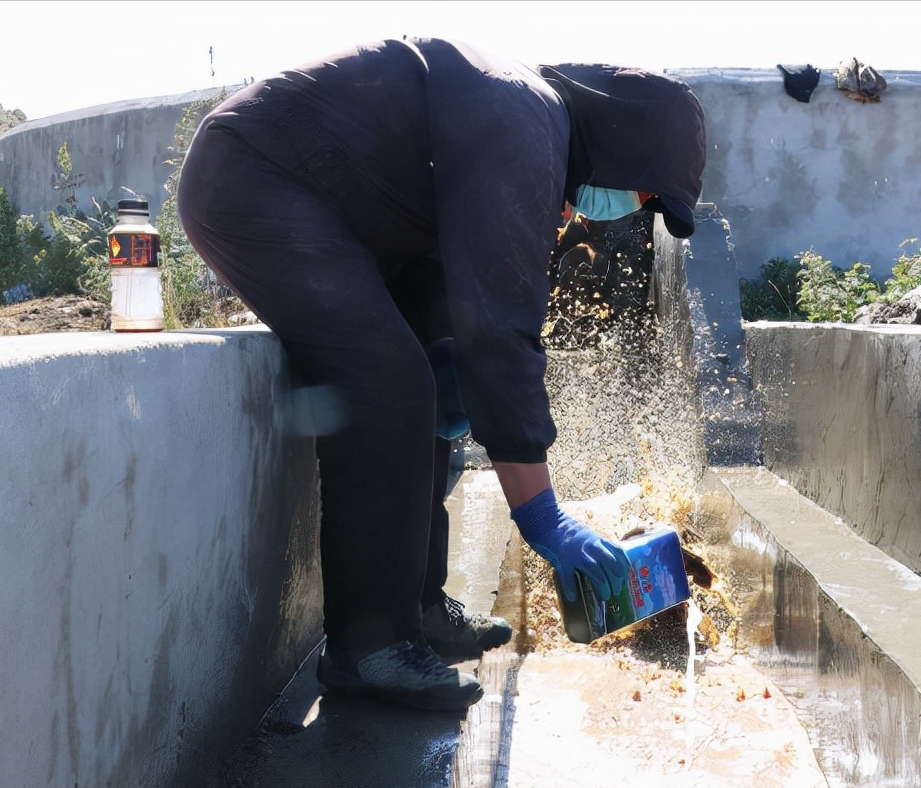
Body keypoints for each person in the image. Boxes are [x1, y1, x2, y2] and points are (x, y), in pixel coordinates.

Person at [176, 36, 707, 712]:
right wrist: (542, 516)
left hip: (352, 212)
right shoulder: (525, 121)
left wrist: (459, 362)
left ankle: (416, 606)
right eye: (645, 193)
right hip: (259, 182)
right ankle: (369, 649)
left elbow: (469, 300)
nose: (633, 208)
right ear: (622, 142)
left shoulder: (527, 122)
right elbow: (501, 326)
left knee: (423, 375)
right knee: (390, 387)